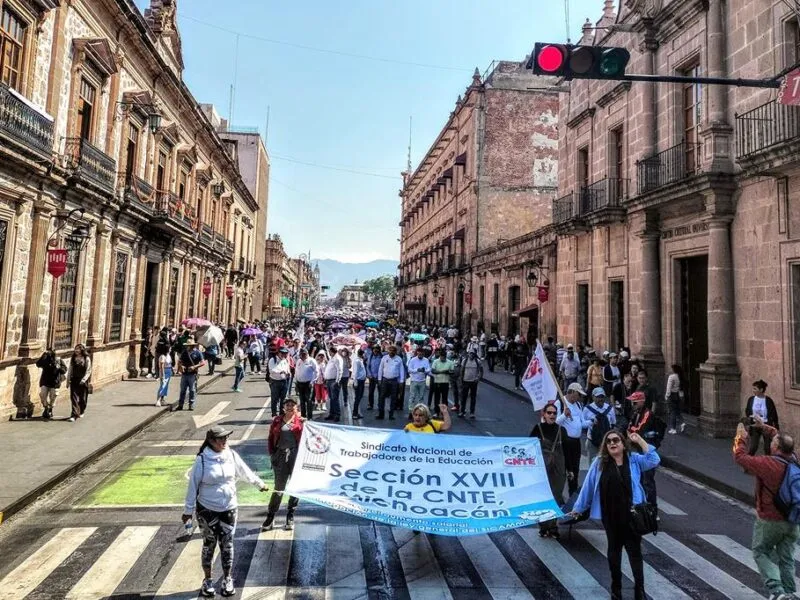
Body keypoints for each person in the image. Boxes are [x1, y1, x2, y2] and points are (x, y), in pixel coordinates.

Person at [568, 430, 660, 600]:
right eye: (608, 441)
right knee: (614, 552)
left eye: (616, 440)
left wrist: (639, 440)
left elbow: (654, 460)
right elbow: (588, 486)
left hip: (632, 515)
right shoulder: (599, 463)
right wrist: (578, 508)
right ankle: (616, 589)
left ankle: (639, 591)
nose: (612, 443)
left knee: (635, 553)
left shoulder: (633, 461)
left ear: (623, 444)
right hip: (610, 516)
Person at [183, 425, 268, 597]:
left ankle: (227, 579)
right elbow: (192, 486)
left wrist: (259, 484)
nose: (225, 441)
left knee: (227, 544)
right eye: (221, 438)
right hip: (207, 510)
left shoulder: (231, 455)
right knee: (209, 544)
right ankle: (207, 580)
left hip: (229, 508)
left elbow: (245, 471)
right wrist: (188, 510)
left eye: (226, 438)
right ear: (211, 441)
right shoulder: (202, 460)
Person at [733, 416, 798, 600]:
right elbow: (780, 436)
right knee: (786, 557)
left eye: (773, 443)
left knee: (760, 551)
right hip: (793, 519)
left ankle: (776, 590)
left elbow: (740, 457)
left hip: (770, 519)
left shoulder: (767, 464)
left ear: (775, 447)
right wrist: (764, 428)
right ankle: (790, 592)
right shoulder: (794, 458)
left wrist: (741, 437)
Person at [262, 397, 304, 532]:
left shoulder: (301, 422)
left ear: (297, 408)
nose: (290, 407)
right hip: (280, 456)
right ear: (283, 407)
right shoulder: (277, 421)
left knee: (295, 486)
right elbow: (270, 438)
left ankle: (290, 514)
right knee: (279, 487)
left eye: (293, 405)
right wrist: (272, 454)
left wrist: (305, 424)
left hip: (295, 456)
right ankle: (271, 515)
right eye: (287, 405)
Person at [530, 401, 567, 539]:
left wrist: (570, 470)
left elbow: (569, 452)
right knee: (543, 497)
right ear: (544, 415)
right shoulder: (537, 428)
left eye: (554, 413)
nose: (552, 415)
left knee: (556, 497)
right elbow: (529, 448)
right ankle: (543, 526)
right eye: (549, 413)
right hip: (542, 469)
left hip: (558, 469)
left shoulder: (561, 430)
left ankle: (553, 526)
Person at [627, 391, 661, 510]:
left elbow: (639, 429)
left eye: (635, 402)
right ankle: (641, 505)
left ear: (642, 401)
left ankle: (652, 508)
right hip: (637, 449)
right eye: (632, 401)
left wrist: (630, 431)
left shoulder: (647, 414)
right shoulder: (635, 413)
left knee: (648, 480)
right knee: (638, 478)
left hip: (646, 449)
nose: (633, 404)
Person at [556, 382, 588, 495]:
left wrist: (592, 422)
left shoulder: (578, 405)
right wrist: (564, 415)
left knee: (575, 469)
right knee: (566, 470)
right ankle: (559, 494)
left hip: (576, 442)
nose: (580, 397)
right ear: (572, 392)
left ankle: (572, 493)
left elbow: (582, 422)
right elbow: (555, 422)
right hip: (565, 442)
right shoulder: (560, 403)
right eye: (578, 394)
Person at [745, 379, 780, 456]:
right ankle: (748, 463)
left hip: (766, 426)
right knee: (753, 447)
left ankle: (767, 464)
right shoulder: (751, 399)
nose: (753, 390)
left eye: (755, 389)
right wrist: (750, 419)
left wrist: (776, 427)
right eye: (753, 388)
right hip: (755, 425)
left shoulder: (768, 400)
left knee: (767, 448)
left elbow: (774, 414)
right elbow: (747, 411)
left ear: (761, 390)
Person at [583, 387, 616, 462]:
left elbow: (613, 423)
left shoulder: (610, 409)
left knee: (607, 462)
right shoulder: (587, 409)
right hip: (592, 441)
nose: (600, 399)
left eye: (602, 397)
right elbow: (583, 425)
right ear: (593, 397)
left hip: (607, 441)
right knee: (592, 463)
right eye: (598, 397)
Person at [36, 348, 67, 420]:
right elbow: (38, 364)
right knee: (42, 395)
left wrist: (59, 368)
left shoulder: (58, 360)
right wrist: (43, 356)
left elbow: (64, 370)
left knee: (53, 396)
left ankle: (50, 408)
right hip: (45, 381)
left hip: (55, 382)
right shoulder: (45, 359)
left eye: (51, 352)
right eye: (48, 352)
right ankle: (46, 407)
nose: (49, 353)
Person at [176, 341, 206, 411]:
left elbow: (203, 362)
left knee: (192, 390)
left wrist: (194, 367)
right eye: (187, 345)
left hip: (192, 374)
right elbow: (180, 361)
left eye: (189, 345)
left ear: (192, 346)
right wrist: (181, 366)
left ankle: (191, 404)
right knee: (182, 390)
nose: (187, 347)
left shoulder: (198, 352)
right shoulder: (184, 352)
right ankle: (180, 405)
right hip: (184, 374)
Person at [377, 345, 404, 420]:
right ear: (388, 351)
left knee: (393, 398)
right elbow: (380, 369)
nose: (391, 352)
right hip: (385, 379)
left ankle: (391, 415)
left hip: (394, 380)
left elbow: (401, 370)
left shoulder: (399, 359)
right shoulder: (384, 358)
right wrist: (379, 379)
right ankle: (381, 414)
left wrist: (401, 381)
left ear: (395, 352)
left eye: (393, 350)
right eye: (390, 350)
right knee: (382, 397)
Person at [67, 344, 92, 422]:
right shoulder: (73, 358)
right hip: (74, 380)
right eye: (75, 349)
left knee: (83, 398)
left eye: (78, 349)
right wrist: (68, 381)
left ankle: (81, 410)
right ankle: (74, 414)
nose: (76, 350)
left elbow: (88, 371)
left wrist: (84, 380)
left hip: (83, 381)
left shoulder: (86, 358)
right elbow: (70, 370)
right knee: (73, 397)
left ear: (82, 350)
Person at [294, 348, 319, 420]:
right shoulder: (299, 361)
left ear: (307, 354)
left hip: (308, 384)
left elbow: (317, 372)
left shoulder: (312, 361)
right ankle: (303, 416)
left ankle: (310, 417)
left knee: (309, 401)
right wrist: (296, 382)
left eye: (304, 354)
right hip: (299, 383)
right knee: (301, 401)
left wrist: (312, 381)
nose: (302, 356)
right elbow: (296, 371)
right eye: (301, 355)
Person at [268, 347, 292, 417]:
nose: (283, 355)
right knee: (274, 399)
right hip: (275, 382)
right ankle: (274, 414)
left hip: (284, 381)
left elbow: (287, 369)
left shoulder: (285, 360)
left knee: (283, 399)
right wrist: (280, 372)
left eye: (285, 353)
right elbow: (271, 370)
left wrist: (288, 373)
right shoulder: (273, 360)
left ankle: (282, 414)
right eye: (282, 353)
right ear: (278, 353)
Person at [459, 349, 483, 419]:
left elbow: (481, 371)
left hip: (473, 382)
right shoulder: (465, 361)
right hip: (465, 381)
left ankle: (472, 412)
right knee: (464, 397)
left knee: (473, 397)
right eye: (470, 353)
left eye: (472, 354)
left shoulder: (478, 361)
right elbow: (462, 370)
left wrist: (478, 378)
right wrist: (461, 379)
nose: (471, 355)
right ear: (468, 354)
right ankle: (462, 411)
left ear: (474, 354)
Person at [665, 364, 686, 435]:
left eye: (671, 368)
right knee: (677, 411)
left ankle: (673, 428)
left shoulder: (671, 377)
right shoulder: (680, 376)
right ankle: (682, 422)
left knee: (672, 412)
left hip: (672, 395)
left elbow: (669, 387)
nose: (670, 370)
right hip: (678, 395)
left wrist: (667, 396)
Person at [366, 344, 384, 410]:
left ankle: (380, 405)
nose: (375, 350)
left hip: (380, 378)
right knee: (371, 392)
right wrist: (369, 375)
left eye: (377, 349)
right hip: (372, 377)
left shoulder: (382, 357)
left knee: (381, 393)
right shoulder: (370, 357)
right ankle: (370, 405)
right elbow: (368, 367)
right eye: (374, 349)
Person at [352, 349, 367, 420]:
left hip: (362, 381)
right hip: (358, 381)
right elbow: (355, 372)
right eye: (364, 354)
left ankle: (357, 412)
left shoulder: (361, 360)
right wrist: (355, 383)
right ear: (362, 354)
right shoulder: (357, 361)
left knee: (359, 397)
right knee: (357, 398)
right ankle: (354, 414)